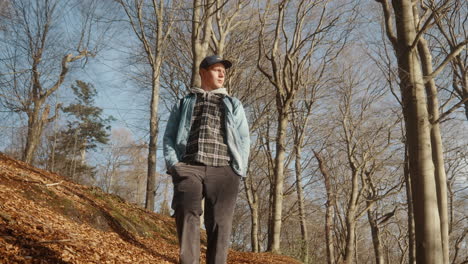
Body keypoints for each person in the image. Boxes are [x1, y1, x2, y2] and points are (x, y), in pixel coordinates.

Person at [163, 55, 250, 264]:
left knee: (220, 224)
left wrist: (238, 169)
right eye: (216, 69)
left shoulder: (232, 103)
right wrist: (174, 165)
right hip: (189, 167)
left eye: (224, 71)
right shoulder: (185, 102)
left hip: (224, 170)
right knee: (186, 212)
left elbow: (244, 137)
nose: (222, 74)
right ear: (203, 72)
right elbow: (169, 136)